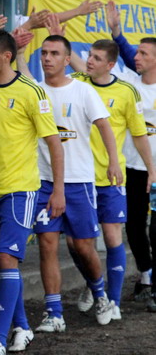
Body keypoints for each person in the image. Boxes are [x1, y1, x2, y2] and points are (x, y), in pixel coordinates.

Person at [0, 29, 65, 355]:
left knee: (7, 257)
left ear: (6, 57)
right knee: (1, 261)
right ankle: (21, 325)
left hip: (21, 191)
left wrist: (58, 189)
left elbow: (54, 143)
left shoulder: (31, 92)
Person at [14, 34, 116, 331]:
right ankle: (54, 312)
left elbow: (104, 126)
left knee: (83, 247)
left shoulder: (83, 91)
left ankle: (99, 292)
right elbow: (25, 73)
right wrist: (21, 51)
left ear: (66, 58)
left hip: (78, 182)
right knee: (47, 244)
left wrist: (111, 161)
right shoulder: (36, 91)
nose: (47, 58)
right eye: (44, 53)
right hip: (44, 181)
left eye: (54, 53)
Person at [66, 38, 154, 320]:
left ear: (110, 65)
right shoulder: (75, 83)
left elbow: (139, 133)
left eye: (96, 58)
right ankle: (95, 285)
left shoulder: (127, 92)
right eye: (88, 56)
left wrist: (152, 169)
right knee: (75, 243)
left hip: (111, 177)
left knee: (113, 235)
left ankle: (112, 302)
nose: (89, 61)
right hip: (78, 177)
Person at [104, 1, 156, 307]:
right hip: (135, 168)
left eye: (144, 54)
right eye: (135, 53)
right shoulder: (130, 86)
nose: (136, 58)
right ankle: (146, 274)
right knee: (135, 226)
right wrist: (116, 34)